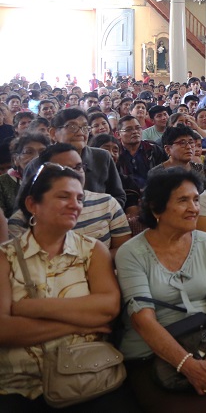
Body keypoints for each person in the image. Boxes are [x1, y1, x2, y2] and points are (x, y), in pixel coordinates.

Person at [114, 169, 206, 411]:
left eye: (196, 199)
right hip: (153, 354)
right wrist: (188, 366)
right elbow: (143, 320)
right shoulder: (131, 253)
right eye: (183, 200)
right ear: (156, 208)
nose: (194, 208)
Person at [0, 163, 139, 411]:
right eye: (63, 196)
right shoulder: (5, 257)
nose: (75, 204)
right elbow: (3, 330)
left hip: (89, 374)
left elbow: (108, 308)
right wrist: (79, 322)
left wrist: (30, 308)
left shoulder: (92, 250)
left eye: (79, 198)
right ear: (32, 205)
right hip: (21, 386)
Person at [10, 144, 131, 253]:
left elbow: (123, 250)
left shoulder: (107, 203)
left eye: (78, 167)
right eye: (64, 169)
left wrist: (94, 265)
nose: (75, 174)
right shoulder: (21, 220)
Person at [51, 108, 126, 207]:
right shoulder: (41, 162)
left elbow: (118, 196)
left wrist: (98, 213)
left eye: (85, 127)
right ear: (53, 133)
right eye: (72, 126)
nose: (80, 132)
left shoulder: (102, 157)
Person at [116, 115, 168, 195]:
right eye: (129, 129)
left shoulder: (153, 149)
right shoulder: (115, 153)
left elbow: (163, 176)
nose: (135, 132)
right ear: (118, 134)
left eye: (138, 128)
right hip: (125, 196)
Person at [0, 133, 49, 217]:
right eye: (28, 152)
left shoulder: (55, 180)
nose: (37, 157)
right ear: (16, 159)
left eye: (43, 152)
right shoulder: (2, 182)